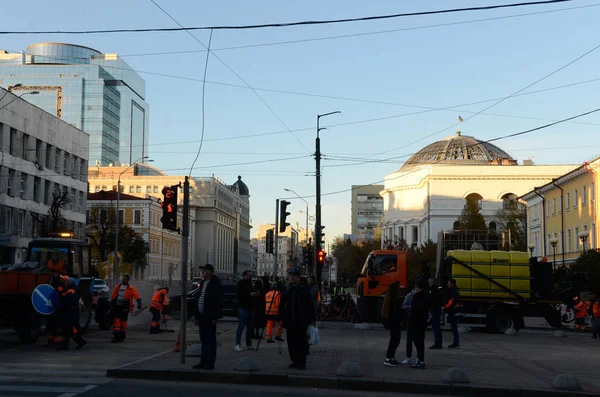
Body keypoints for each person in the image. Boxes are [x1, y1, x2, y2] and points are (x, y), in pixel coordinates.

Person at [280, 268, 315, 370]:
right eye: (290, 276)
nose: (291, 278)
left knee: (301, 342)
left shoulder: (304, 288)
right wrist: (282, 317)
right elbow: (282, 304)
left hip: (301, 320)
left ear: (298, 277)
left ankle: (301, 362)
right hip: (289, 320)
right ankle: (294, 360)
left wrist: (312, 319)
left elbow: (310, 305)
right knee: (291, 342)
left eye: (294, 276)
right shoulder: (287, 289)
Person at [192, 264, 223, 370]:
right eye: (202, 271)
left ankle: (211, 362)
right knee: (203, 339)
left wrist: (215, 317)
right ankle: (203, 361)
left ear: (210, 272)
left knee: (211, 339)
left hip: (210, 316)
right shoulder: (202, 283)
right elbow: (199, 299)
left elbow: (217, 302)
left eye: (204, 270)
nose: (202, 272)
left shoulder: (215, 283)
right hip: (201, 316)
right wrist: (196, 317)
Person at [55, 278, 87, 350]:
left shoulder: (71, 292)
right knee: (68, 330)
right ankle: (68, 344)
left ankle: (79, 342)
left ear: (69, 284)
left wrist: (59, 307)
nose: (65, 283)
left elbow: (65, 302)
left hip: (70, 314)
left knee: (69, 330)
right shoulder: (70, 291)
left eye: (66, 282)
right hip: (70, 314)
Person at [110, 274, 142, 343]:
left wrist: (139, 302)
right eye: (123, 279)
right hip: (117, 307)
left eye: (125, 279)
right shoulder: (117, 287)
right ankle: (116, 336)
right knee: (116, 321)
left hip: (125, 307)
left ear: (127, 280)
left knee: (123, 323)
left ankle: (122, 337)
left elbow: (136, 295)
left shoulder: (131, 288)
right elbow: (113, 296)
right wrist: (112, 304)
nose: (123, 280)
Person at [380, 283, 403, 366]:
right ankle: (388, 358)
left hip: (391, 321)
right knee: (395, 340)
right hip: (394, 322)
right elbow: (396, 312)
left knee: (394, 340)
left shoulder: (388, 299)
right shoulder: (394, 300)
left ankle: (391, 357)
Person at [235, 270, 257, 351]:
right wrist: (249, 294)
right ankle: (237, 344)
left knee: (250, 327)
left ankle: (249, 344)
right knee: (241, 326)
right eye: (249, 275)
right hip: (243, 306)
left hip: (250, 307)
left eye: (251, 275)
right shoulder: (240, 284)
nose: (250, 277)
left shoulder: (250, 284)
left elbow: (251, 293)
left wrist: (255, 294)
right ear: (244, 276)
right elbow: (239, 294)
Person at [400, 283, 416, 365]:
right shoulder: (410, 295)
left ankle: (419, 358)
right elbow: (404, 306)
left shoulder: (424, 295)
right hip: (411, 320)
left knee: (418, 341)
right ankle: (408, 357)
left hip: (419, 320)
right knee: (409, 340)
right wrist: (411, 307)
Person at [444, 278, 462, 348]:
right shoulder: (455, 291)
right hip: (454, 311)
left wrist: (445, 306)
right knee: (454, 327)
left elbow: (451, 302)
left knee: (454, 327)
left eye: (449, 283)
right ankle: (456, 342)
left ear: (452, 284)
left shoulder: (453, 292)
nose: (447, 284)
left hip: (453, 312)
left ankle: (456, 342)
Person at [429, 278, 444, 349]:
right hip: (437, 310)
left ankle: (437, 343)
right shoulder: (438, 291)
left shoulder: (433, 291)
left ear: (434, 283)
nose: (429, 283)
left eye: (430, 281)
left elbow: (433, 302)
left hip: (435, 311)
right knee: (437, 327)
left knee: (436, 327)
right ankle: (438, 343)